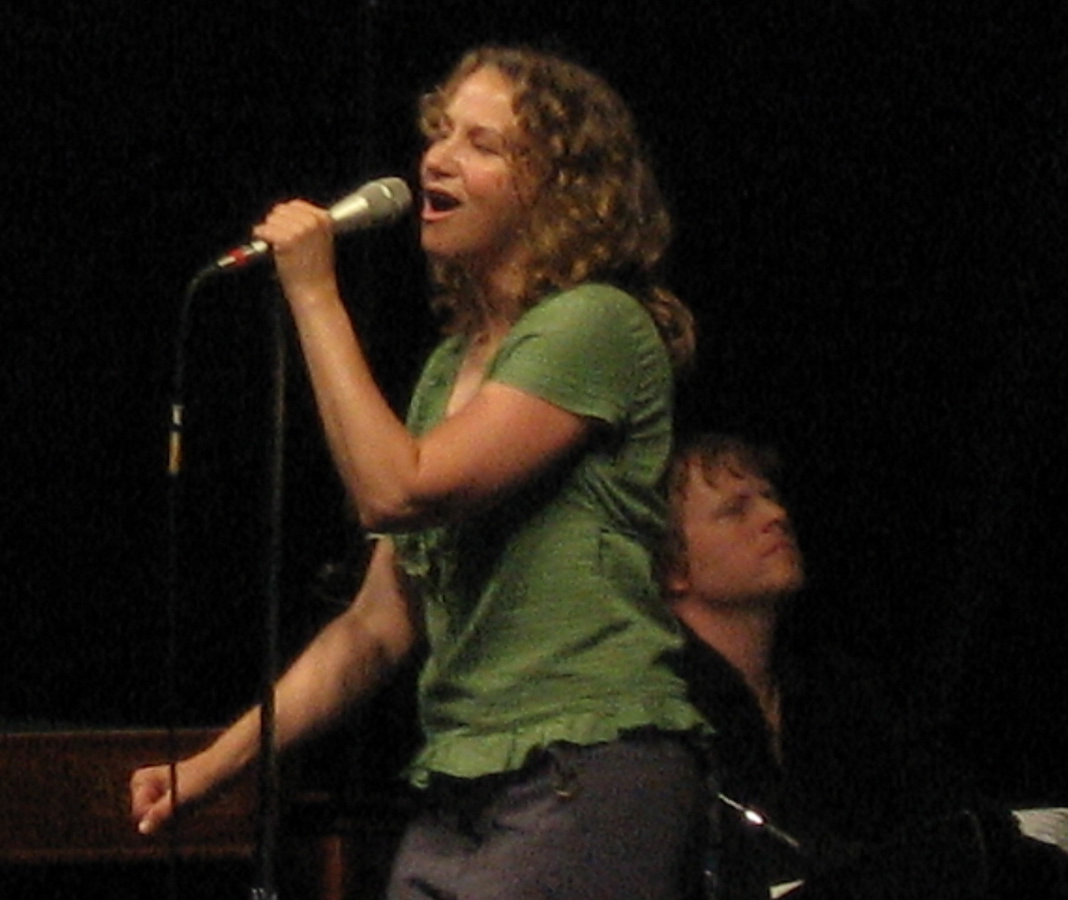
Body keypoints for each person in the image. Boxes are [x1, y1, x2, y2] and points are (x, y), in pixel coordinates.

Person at [132, 45, 711, 899]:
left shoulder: (597, 324)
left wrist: (315, 294)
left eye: (482, 143)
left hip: (582, 769)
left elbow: (398, 489)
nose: (437, 158)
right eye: (440, 134)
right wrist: (214, 766)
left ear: (560, 186)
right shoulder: (449, 371)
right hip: (463, 788)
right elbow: (375, 627)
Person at [663, 432, 1068, 899]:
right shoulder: (663, 705)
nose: (776, 516)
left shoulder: (829, 685)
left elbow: (941, 806)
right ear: (672, 565)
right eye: (736, 510)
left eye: (770, 498)